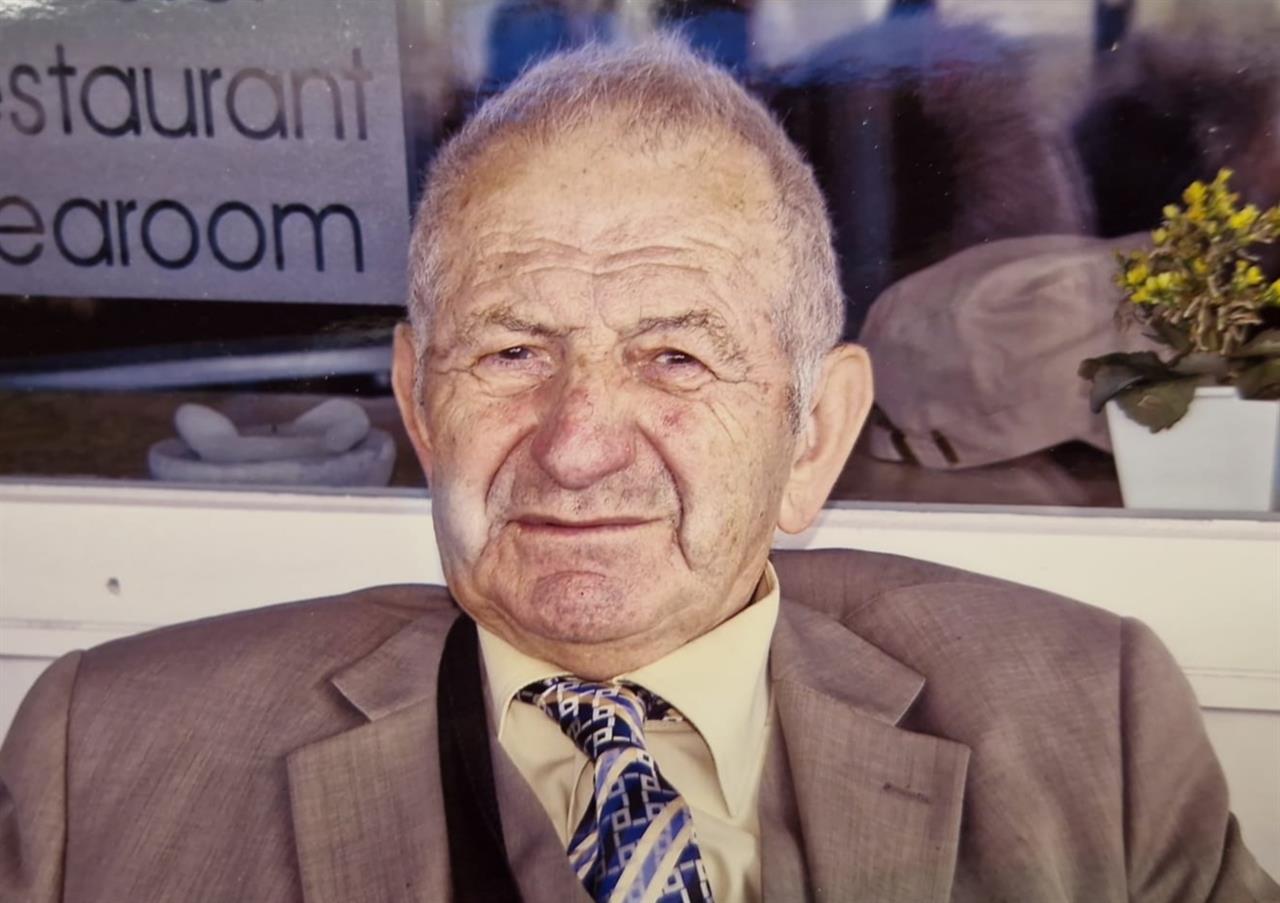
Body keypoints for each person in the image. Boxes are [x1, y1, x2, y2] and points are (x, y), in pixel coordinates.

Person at [1, 38, 1276, 903]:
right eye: (510, 351)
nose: (576, 445)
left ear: (813, 435)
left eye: (675, 356)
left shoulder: (1086, 726)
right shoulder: (101, 762)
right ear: (419, 405)